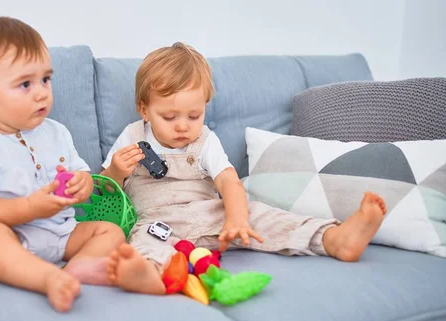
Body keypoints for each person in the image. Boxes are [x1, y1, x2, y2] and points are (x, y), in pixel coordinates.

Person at [103, 42, 387, 295]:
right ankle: (148, 274)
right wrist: (116, 171)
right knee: (141, 243)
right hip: (158, 223)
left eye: (194, 115)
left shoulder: (205, 140)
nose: (182, 125)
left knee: (263, 217)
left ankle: (333, 239)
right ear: (144, 110)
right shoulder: (132, 136)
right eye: (169, 116)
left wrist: (237, 219)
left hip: (212, 216)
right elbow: (103, 189)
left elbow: (228, 182)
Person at [0, 16, 125, 312]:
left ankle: (74, 272)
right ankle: (46, 278)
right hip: (10, 236)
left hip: (61, 234)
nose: (42, 91)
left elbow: (81, 174)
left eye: (45, 79)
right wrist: (29, 208)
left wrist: (83, 184)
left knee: (111, 231)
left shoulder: (57, 132)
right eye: (25, 84)